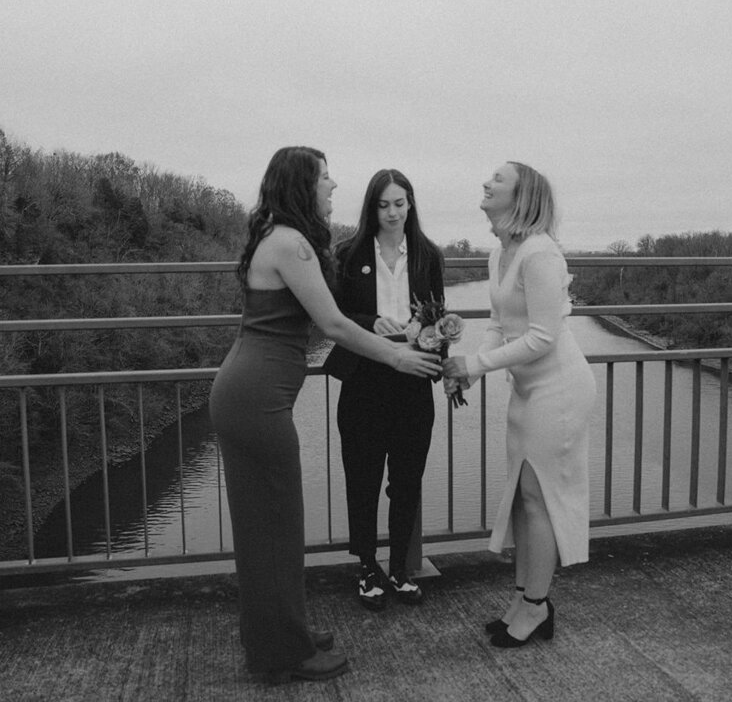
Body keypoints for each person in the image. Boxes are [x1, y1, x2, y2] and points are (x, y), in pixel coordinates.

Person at [208, 147, 442, 684]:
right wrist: (399, 357)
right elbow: (334, 325)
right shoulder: (291, 243)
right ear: (302, 185)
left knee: (270, 530)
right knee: (274, 532)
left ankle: (279, 635)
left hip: (253, 395)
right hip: (256, 400)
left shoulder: (281, 236)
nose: (333, 185)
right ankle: (282, 655)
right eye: (325, 177)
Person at [443, 161, 595, 648]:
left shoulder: (540, 253)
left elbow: (544, 337)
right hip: (530, 388)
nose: (486, 183)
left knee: (539, 498)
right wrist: (469, 366)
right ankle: (524, 599)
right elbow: (499, 323)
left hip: (560, 389)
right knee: (525, 499)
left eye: (498, 180)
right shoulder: (500, 253)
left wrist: (475, 364)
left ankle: (536, 605)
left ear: (522, 196)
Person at [324, 169, 446, 610]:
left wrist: (431, 338)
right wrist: (371, 322)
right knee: (363, 478)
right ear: (371, 208)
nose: (392, 213)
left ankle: (399, 569)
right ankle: (366, 567)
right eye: (383, 205)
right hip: (365, 378)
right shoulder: (349, 253)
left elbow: (439, 316)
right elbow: (333, 316)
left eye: (399, 203)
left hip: (412, 378)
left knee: (407, 480)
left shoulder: (428, 255)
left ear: (410, 204)